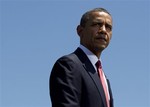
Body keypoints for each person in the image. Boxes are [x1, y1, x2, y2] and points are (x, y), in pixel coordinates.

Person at [49, 7, 114, 107]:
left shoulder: (104, 78)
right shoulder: (68, 65)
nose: (103, 30)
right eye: (97, 24)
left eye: (108, 27)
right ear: (80, 31)